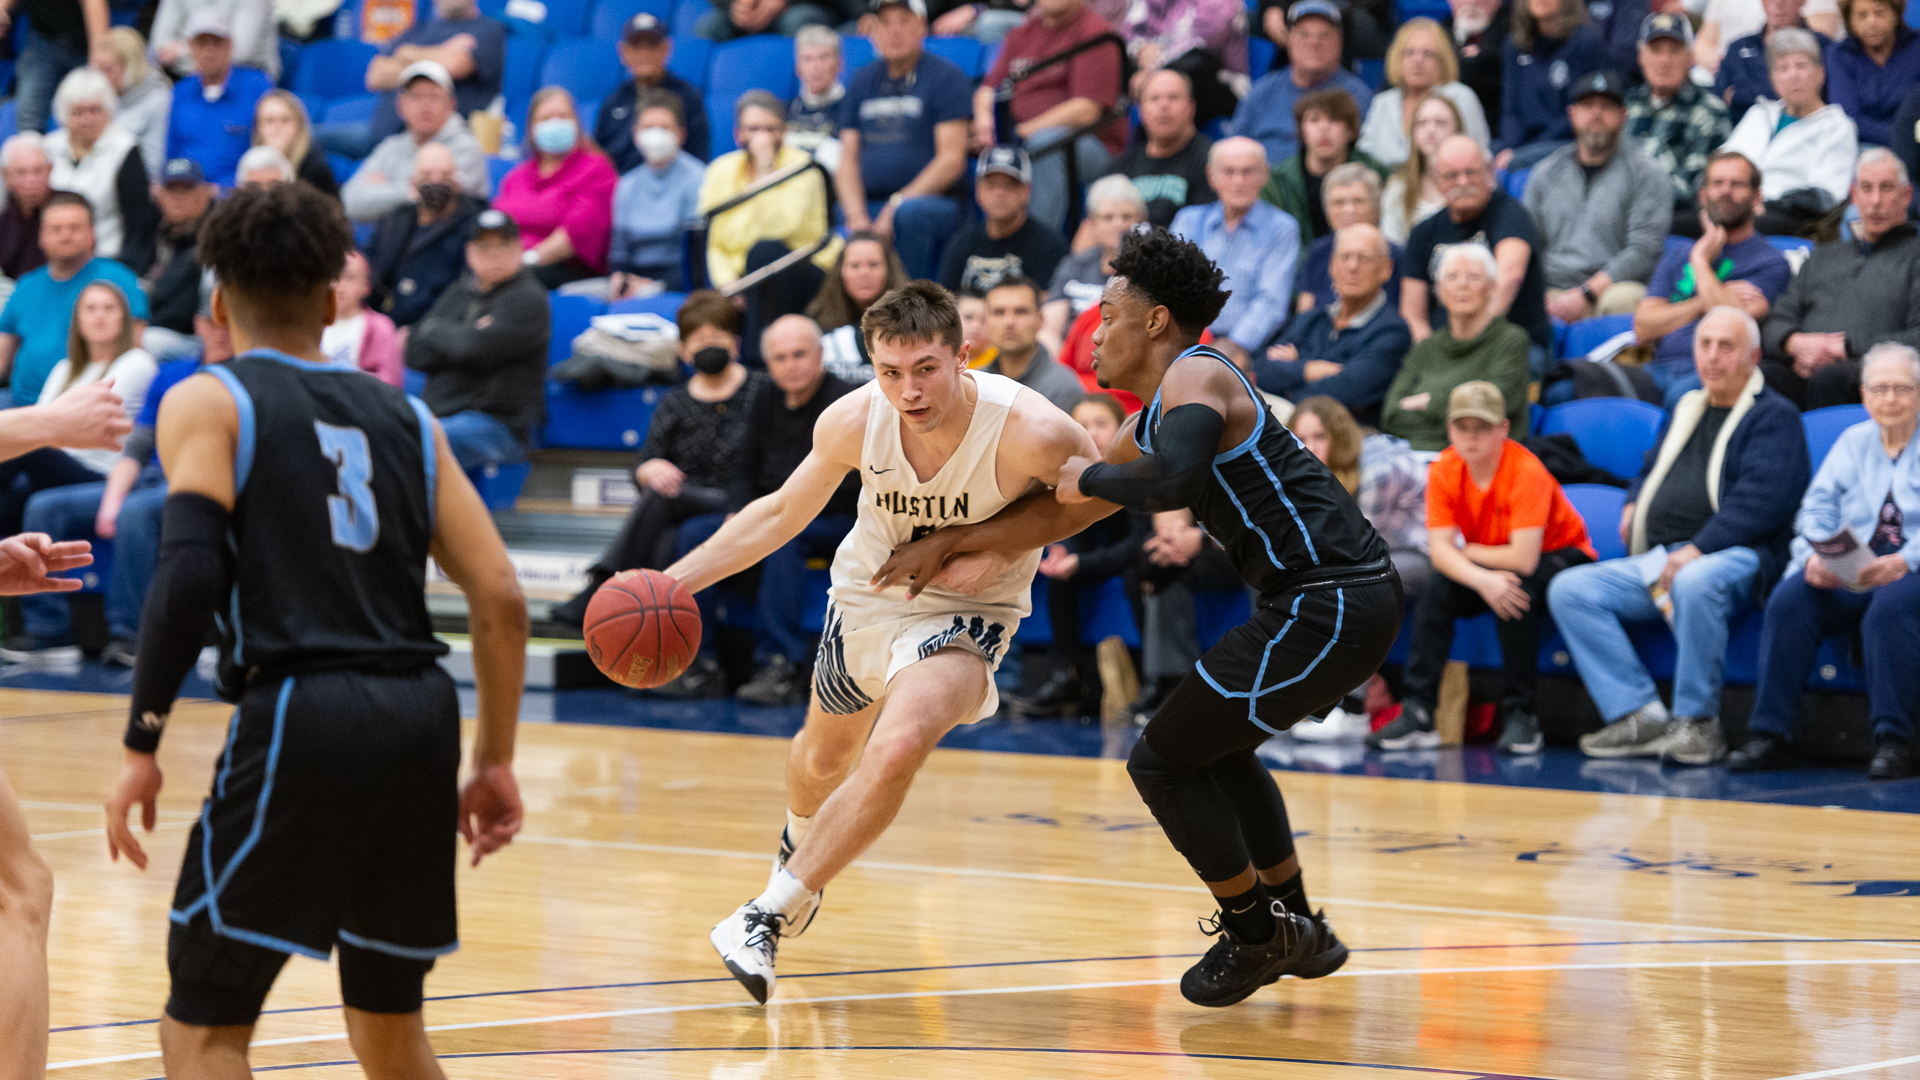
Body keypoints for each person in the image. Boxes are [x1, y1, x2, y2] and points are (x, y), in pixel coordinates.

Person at [872, 228, 1398, 1008]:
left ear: (1155, 322)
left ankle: (1256, 933)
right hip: (1320, 602)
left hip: (1332, 598)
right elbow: (1064, 511)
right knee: (1218, 750)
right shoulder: (1149, 421)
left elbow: (1168, 481)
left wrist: (1090, 477)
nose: (1093, 334)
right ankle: (1298, 924)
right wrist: (950, 540)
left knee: (1160, 762)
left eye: (1109, 316)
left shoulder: (1200, 374)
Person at [99, 180, 527, 1079]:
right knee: (390, 1030)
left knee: (202, 1030)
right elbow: (500, 597)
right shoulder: (411, 418)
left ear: (218, 302)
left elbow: (189, 574)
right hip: (420, 717)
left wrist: (143, 738)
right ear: (333, 299)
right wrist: (493, 759)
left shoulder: (210, 399)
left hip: (303, 712)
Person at [658, 275, 1095, 1003]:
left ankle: (765, 914)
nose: (909, 391)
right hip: (869, 592)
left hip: (968, 609)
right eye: (891, 372)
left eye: (926, 369)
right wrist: (672, 584)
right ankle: (798, 848)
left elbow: (1096, 494)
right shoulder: (854, 419)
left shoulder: (1031, 427)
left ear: (963, 356)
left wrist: (987, 543)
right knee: (822, 760)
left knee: (897, 746)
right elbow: (781, 513)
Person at [1549, 306, 1808, 765]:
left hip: (1739, 555)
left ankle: (1698, 723)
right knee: (1571, 589)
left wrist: (1697, 549)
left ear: (1753, 357)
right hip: (1663, 555)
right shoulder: (1686, 403)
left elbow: (1763, 504)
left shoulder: (1775, 417)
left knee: (1695, 580)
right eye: (1704, 345)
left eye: (1726, 346)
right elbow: (1649, 466)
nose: (1712, 356)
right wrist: (1634, 500)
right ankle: (1638, 714)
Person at [1370, 380, 1597, 753]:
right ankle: (1418, 711)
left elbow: (1523, 558)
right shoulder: (1444, 468)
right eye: (1463, 427)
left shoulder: (1526, 471)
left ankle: (1522, 715)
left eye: (1482, 427)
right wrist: (1481, 579)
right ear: (1450, 430)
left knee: (1514, 592)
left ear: (1503, 429)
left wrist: (1472, 554)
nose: (1471, 437)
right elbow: (1440, 553)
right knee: (1437, 590)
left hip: (1561, 553)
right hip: (1490, 557)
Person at [1729, 343, 1920, 780]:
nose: (1890, 399)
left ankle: (1895, 740)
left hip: (1912, 567)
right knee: (1790, 600)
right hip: (1855, 563)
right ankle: (1771, 734)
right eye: (1880, 389)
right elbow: (1816, 508)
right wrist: (1816, 556)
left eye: (1902, 388)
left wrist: (1904, 562)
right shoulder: (1853, 442)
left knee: (1889, 607)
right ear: (1864, 395)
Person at [548, 292, 767, 641]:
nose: (708, 346)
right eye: (699, 340)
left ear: (736, 344)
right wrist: (649, 469)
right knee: (668, 537)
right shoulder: (674, 401)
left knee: (664, 499)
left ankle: (603, 588)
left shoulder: (762, 390)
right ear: (683, 351)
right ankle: (660, 646)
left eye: (717, 337)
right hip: (690, 507)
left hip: (743, 503)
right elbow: (646, 462)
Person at [715, 315, 862, 705]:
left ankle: (781, 664)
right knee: (694, 534)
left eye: (799, 354)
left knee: (782, 539)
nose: (791, 365)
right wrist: (736, 512)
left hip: (837, 520)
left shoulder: (846, 401)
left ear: (820, 354)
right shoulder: (765, 398)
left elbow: (851, 483)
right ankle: (699, 662)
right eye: (780, 358)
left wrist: (784, 512)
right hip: (773, 513)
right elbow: (744, 466)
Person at [1013, 392, 1152, 715]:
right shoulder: (1076, 473)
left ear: (1122, 428)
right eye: (1082, 425)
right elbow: (1077, 531)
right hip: (1107, 554)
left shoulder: (1140, 467)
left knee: (1139, 571)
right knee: (1059, 570)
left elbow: (1140, 541)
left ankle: (1152, 681)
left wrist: (1082, 562)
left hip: (1139, 556)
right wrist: (1066, 554)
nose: (1092, 433)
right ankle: (1066, 675)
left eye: (1101, 424)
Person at [0, 280, 155, 562]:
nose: (100, 316)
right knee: (9, 499)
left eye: (109, 308)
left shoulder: (137, 361)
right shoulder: (65, 368)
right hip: (55, 463)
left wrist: (46, 431)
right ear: (78, 321)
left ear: (123, 319)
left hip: (97, 471)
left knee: (25, 441)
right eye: (91, 309)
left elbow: (54, 425)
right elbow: (46, 422)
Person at [1760, 148, 1920, 408]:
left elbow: (1917, 336)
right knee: (1759, 376)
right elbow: (1777, 319)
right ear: (1854, 196)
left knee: (1830, 379)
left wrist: (1846, 347)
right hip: (1803, 368)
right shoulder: (1822, 256)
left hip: (1874, 374)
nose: (1876, 201)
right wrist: (1793, 342)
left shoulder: (1915, 256)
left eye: (1886, 188)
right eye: (1866, 188)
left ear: (1907, 196)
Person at [1632, 151, 1790, 405]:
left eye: (1736, 184)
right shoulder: (1679, 253)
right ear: (1703, 196)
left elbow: (1728, 319)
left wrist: (1700, 261)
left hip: (1711, 373)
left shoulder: (1771, 262)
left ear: (1757, 197)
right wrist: (1702, 302)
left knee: (1682, 398)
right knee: (1574, 389)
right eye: (1717, 183)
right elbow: (1643, 327)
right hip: (1658, 368)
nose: (1725, 191)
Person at [404, 209, 551, 474]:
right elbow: (413, 352)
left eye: (503, 246)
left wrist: (435, 332)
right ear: (469, 252)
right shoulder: (458, 292)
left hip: (499, 426)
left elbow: (471, 348)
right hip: (443, 417)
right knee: (394, 433)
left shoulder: (528, 298)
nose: (494, 254)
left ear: (519, 249)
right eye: (484, 247)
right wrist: (465, 336)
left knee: (427, 440)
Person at [836, 0, 973, 281]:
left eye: (904, 21)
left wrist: (896, 205)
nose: (894, 31)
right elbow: (847, 160)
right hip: (870, 204)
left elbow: (951, 161)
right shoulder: (861, 79)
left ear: (922, 26)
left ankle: (910, 303)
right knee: (830, 215)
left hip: (932, 202)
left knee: (909, 215)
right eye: (885, 23)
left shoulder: (947, 77)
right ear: (873, 30)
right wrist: (856, 217)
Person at [701, 91, 842, 361]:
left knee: (765, 251)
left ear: (784, 132)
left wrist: (766, 170)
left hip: (807, 267)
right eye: (753, 129)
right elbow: (714, 241)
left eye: (770, 129)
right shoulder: (720, 170)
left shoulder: (804, 167)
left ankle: (756, 363)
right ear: (738, 134)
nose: (762, 137)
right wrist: (729, 285)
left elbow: (779, 229)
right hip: (746, 277)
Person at [1522, 70, 1672, 323]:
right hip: (1553, 288)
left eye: (1606, 107)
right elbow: (1528, 243)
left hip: (1613, 287)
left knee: (1621, 300)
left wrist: (1587, 293)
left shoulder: (1648, 173)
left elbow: (1643, 250)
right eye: (1587, 105)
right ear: (1571, 114)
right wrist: (1538, 293)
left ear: (1623, 116)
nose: (1596, 114)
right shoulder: (1545, 172)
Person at [973, 0, 1128, 232]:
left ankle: (1035, 244)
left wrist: (1025, 130)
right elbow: (988, 89)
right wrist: (984, 121)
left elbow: (1086, 110)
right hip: (1020, 135)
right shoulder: (1022, 33)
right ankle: (988, 242)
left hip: (1090, 144)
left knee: (1046, 142)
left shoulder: (1096, 33)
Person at [1401, 135, 1553, 367]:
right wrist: (1432, 354)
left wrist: (1468, 346)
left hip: (1510, 346)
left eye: (1471, 172)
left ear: (1489, 172)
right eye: (1451, 175)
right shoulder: (1423, 233)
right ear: (1437, 181)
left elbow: (1509, 277)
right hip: (1443, 349)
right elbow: (1413, 314)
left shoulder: (1511, 215)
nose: (1462, 182)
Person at [0, 192, 148, 408]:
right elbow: (2, 351)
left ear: (92, 234)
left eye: (74, 228)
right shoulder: (26, 284)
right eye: (56, 229)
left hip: (87, 401)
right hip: (19, 401)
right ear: (42, 236)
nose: (65, 235)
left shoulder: (118, 278)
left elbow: (132, 344)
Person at [1382, 243, 1530, 451]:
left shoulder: (1511, 340)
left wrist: (1429, 402)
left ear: (1492, 287)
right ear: (1439, 290)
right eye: (1452, 277)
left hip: (1477, 458)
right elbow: (1391, 415)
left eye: (1474, 277)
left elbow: (1495, 406)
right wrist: (1459, 417)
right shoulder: (1426, 348)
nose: (1462, 285)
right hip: (1412, 455)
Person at [1260, 223, 1409, 424]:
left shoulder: (1392, 331)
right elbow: (1261, 370)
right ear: (1331, 265)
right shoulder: (1312, 319)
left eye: (1363, 258)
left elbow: (1346, 390)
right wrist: (1308, 369)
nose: (1352, 267)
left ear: (1386, 269)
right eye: (1344, 257)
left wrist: (1290, 374)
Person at [1288, 394, 1430, 597]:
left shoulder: (1377, 470)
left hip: (1421, 552)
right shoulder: (1320, 471)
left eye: (1320, 437)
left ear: (1340, 436)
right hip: (1380, 553)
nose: (1310, 448)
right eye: (1301, 440)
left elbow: (1362, 550)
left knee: (1347, 585)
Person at [1171, 137, 1297, 364]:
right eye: (1229, 172)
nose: (1239, 181)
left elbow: (1271, 303)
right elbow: (1172, 289)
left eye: (1247, 172)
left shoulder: (1282, 228)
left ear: (1264, 175)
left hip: (1250, 350)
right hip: (1188, 344)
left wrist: (1230, 348)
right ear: (1212, 176)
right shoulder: (1188, 221)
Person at [1718, 29, 1857, 235]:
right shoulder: (1759, 114)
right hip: (1735, 207)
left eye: (1801, 66)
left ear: (1821, 73)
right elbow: (1721, 162)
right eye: (1783, 68)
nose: (1793, 75)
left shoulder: (1837, 127)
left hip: (1790, 220)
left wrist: (1765, 205)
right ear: (1773, 80)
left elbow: (1826, 196)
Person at [492, 88, 619, 290]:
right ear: (531, 128)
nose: (554, 124)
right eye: (545, 118)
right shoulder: (516, 177)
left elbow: (576, 234)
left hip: (565, 268)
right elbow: (498, 226)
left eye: (563, 116)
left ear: (577, 124)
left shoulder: (596, 169)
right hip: (513, 266)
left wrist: (527, 260)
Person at [341, 60, 489, 224]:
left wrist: (383, 190)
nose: (425, 105)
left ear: (451, 105)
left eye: (434, 96)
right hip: (394, 237)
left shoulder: (467, 148)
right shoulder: (391, 146)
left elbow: (440, 202)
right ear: (401, 105)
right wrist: (408, 193)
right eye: (416, 96)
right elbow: (349, 201)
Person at [1626, 13, 1733, 236]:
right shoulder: (1625, 106)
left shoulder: (1709, 111)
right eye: (1656, 51)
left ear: (1691, 57)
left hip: (1669, 222)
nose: (1664, 60)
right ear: (1641, 57)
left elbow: (1695, 189)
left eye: (1674, 51)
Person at [350, 0, 504, 155]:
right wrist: (443, 52)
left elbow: (455, 65)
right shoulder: (419, 29)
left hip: (437, 146)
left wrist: (407, 53)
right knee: (332, 141)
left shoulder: (487, 29)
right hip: (381, 136)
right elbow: (375, 76)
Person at [1233, 1, 1374, 167]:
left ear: (1339, 42)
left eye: (1324, 35)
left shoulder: (1357, 96)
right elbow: (1234, 146)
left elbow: (1367, 158)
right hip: (1263, 179)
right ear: (1290, 40)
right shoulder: (1262, 91)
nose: (1314, 43)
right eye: (1304, 35)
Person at [45, 66, 155, 273]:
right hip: (53, 262)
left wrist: (126, 271)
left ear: (109, 110)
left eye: (94, 110)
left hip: (108, 259)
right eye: (78, 112)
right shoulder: (49, 147)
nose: (87, 120)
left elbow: (138, 223)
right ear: (63, 114)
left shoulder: (124, 149)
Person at [364, 141, 484, 329]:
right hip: (385, 323)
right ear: (413, 182)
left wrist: (419, 334)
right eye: (427, 175)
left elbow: (467, 289)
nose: (436, 182)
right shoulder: (396, 220)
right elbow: (371, 268)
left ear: (457, 183)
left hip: (438, 329)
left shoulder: (474, 225)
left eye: (445, 176)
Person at [1261, 89, 1385, 255]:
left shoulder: (1377, 172)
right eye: (1314, 120)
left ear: (1350, 131)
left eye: (1334, 119)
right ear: (1302, 131)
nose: (1324, 128)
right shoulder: (1278, 179)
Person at [1355, 18, 1491, 170]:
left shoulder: (1460, 97)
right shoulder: (1383, 102)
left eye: (1428, 53)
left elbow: (1479, 154)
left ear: (1443, 60)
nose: (1417, 60)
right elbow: (1365, 156)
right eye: (1409, 53)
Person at [609, 90, 706, 297]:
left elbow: (694, 255)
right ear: (635, 134)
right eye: (648, 127)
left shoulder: (698, 178)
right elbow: (619, 251)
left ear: (681, 134)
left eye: (664, 128)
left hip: (676, 282)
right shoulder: (627, 184)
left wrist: (654, 288)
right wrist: (619, 279)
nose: (656, 135)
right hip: (632, 280)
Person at [162, 9, 272, 188]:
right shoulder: (181, 91)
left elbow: (267, 150)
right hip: (189, 190)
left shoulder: (257, 87)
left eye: (217, 43)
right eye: (202, 44)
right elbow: (172, 152)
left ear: (229, 45)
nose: (209, 51)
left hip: (242, 192)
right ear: (191, 47)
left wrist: (224, 188)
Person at [939, 146, 1072, 294]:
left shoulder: (1049, 247)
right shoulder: (960, 246)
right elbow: (945, 303)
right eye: (991, 185)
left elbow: (1049, 304)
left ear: (1027, 191)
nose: (999, 193)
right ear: (978, 190)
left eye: (1009, 185)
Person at [1494, 0, 1607, 172]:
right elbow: (1511, 109)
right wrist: (1511, 146)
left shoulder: (1585, 43)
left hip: (1566, 141)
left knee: (1516, 162)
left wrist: (1524, 150)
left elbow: (1578, 112)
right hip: (1522, 144)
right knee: (1479, 156)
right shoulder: (1514, 44)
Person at [594, 13, 711, 172]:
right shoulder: (613, 101)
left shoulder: (688, 97)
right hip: (620, 184)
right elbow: (600, 158)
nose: (644, 54)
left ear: (667, 48)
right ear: (623, 51)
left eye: (652, 45)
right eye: (636, 46)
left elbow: (698, 157)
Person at [1043, 174, 1146, 353]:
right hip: (1071, 359)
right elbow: (1049, 329)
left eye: (1126, 216)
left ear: (1142, 221)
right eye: (1107, 217)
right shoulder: (1074, 265)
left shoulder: (1151, 269)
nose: (1118, 224)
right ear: (1092, 223)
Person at [1110, 69, 1217, 228]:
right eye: (1154, 98)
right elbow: (1091, 227)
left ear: (1191, 107)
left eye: (1173, 97)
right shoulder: (1122, 166)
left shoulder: (1212, 162)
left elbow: (1206, 229)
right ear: (1140, 111)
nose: (1163, 105)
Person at [1291, 163, 1403, 314]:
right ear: (1327, 212)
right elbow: (1304, 311)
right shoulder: (1319, 250)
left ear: (1377, 208)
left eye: (1358, 201)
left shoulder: (1396, 256)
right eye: (1338, 203)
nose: (1348, 210)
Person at [1713, 0, 1836, 124]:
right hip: (1743, 130)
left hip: (1809, 126)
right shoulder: (1738, 48)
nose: (1778, 3)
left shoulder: (1825, 48)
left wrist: (1741, 96)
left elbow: (1831, 98)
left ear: (1803, 1)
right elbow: (1718, 101)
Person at [810, 230, 909, 383]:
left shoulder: (914, 323)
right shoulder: (817, 324)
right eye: (855, 266)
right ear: (840, 272)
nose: (864, 273)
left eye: (873, 265)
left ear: (889, 271)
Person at [141, 158, 215, 355]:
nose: (178, 197)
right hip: (158, 329)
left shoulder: (214, 237)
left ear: (204, 193)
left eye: (187, 189)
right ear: (160, 195)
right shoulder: (157, 233)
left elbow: (185, 312)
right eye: (171, 189)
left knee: (145, 341)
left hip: (194, 337)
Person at [981, 275, 1087, 413]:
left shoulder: (1063, 387)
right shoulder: (976, 383)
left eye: (1021, 312)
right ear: (986, 321)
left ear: (1041, 319)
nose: (1009, 322)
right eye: (999, 313)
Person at [3, 0, 108, 135]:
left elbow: (93, 2)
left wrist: (99, 55)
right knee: (29, 115)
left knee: (85, 110)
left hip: (82, 43)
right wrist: (2, 8)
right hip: (42, 35)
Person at [1827, 0, 1920, 149]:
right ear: (1850, 20)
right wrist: (1903, 138)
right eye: (1862, 15)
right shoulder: (1839, 55)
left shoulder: (1916, 45)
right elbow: (1849, 118)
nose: (1872, 23)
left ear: (1896, 14)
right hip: (1863, 147)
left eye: (1879, 13)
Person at [1380, 93, 1463, 244]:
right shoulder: (1398, 188)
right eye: (1421, 123)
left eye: (1440, 123)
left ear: (1457, 131)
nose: (1430, 129)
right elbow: (1392, 247)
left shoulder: (1472, 181)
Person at [92, 26, 172, 180]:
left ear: (130, 67)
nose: (100, 77)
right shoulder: (99, 94)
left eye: (107, 69)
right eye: (98, 68)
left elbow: (153, 166)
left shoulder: (159, 101)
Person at [322, 251, 403, 386]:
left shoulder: (380, 327)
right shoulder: (310, 320)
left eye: (350, 278)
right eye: (335, 277)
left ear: (366, 287)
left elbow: (391, 384)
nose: (340, 286)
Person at [148, 0, 279, 78]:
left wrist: (183, 49)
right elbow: (158, 47)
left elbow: (239, 53)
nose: (208, 51)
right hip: (184, 76)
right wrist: (201, 55)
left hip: (245, 75)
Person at [251, 89, 338, 199]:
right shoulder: (250, 167)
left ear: (299, 126)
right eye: (269, 121)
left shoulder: (316, 169)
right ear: (258, 128)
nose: (277, 128)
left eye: (285, 120)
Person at [1442, 0, 1511, 128]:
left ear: (1497, 2)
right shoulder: (1438, 34)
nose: (1472, 3)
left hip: (1495, 127)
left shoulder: (1511, 36)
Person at [787, 25, 846, 170]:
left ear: (839, 64)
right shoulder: (783, 112)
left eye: (823, 57)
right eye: (808, 59)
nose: (816, 66)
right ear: (798, 68)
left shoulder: (853, 110)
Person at [0, 135, 54, 284]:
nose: (31, 181)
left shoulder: (70, 208)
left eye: (37, 171)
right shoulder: (4, 221)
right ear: (6, 175)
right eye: (21, 172)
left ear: (50, 169)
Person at [694, 0, 836, 42]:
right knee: (708, 26)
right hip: (744, 17)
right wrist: (734, 5)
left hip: (796, 9)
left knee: (796, 19)